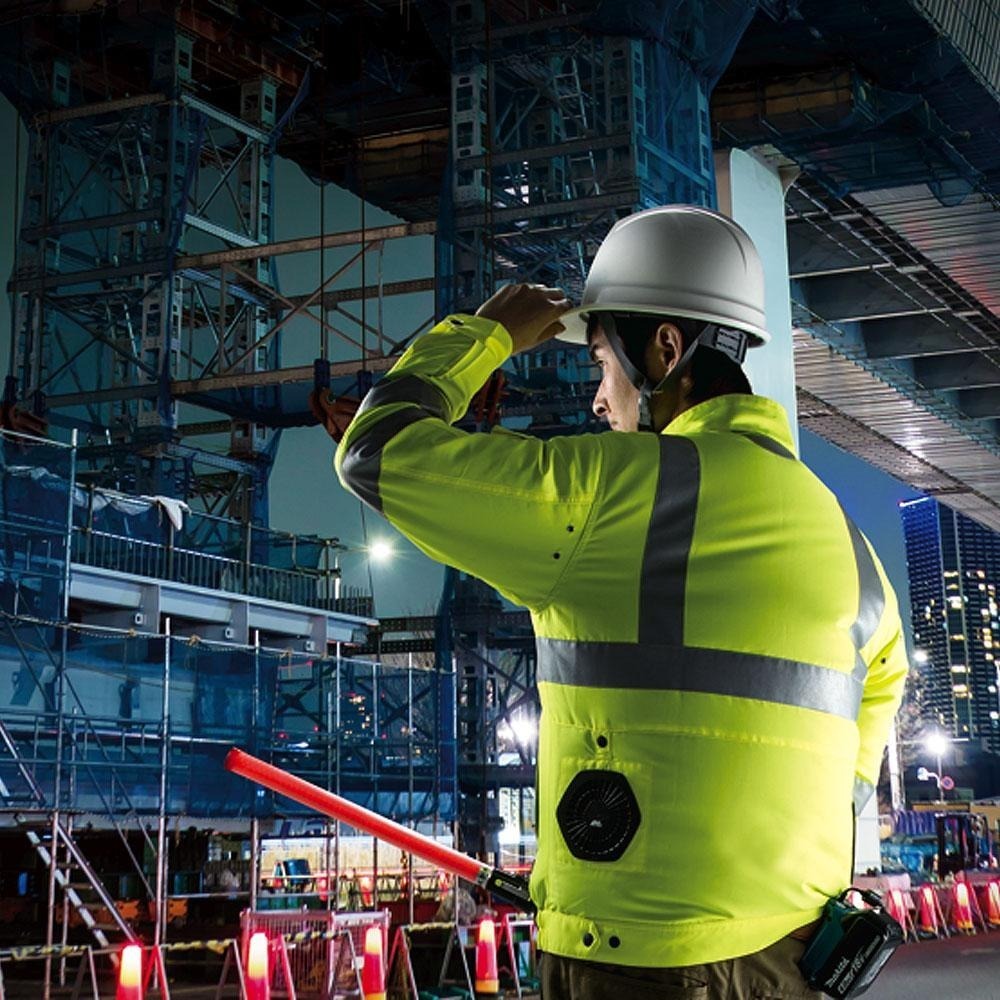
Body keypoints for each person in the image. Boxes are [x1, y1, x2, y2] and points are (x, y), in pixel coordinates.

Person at [315, 206, 908, 999]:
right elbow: (874, 699)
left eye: (601, 363)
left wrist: (486, 335)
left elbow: (373, 449)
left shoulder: (616, 493)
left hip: (645, 969)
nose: (599, 400)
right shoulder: (851, 544)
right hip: (796, 959)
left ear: (665, 347)